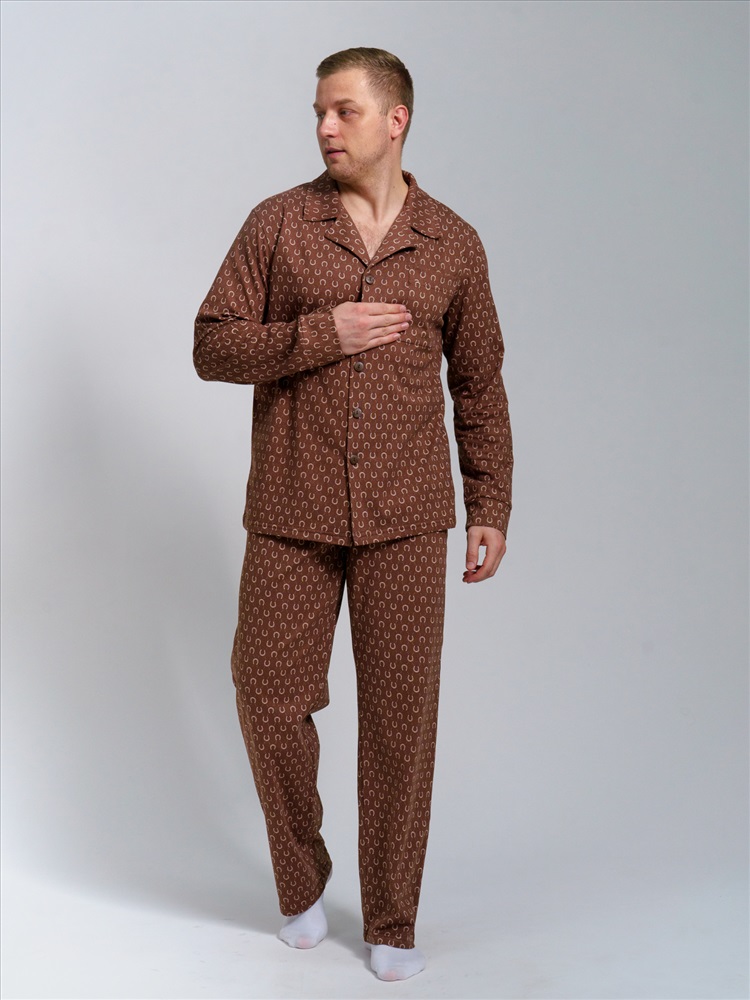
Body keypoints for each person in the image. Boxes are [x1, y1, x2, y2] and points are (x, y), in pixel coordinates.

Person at [193, 46, 513, 983]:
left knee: (401, 722)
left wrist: (489, 500)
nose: (325, 128)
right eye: (318, 114)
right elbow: (212, 346)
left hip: (409, 514)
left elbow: (479, 383)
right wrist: (316, 334)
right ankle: (301, 880)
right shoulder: (279, 225)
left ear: (395, 119)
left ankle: (393, 915)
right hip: (289, 508)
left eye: (344, 111)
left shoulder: (452, 244)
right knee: (267, 694)